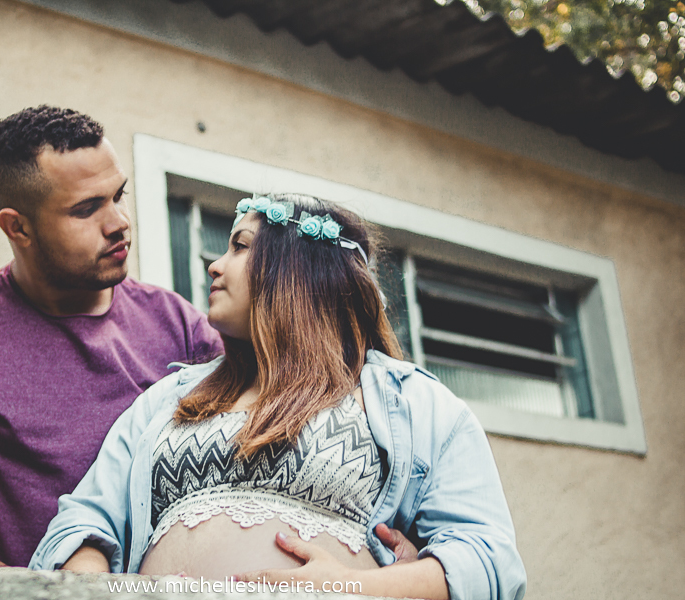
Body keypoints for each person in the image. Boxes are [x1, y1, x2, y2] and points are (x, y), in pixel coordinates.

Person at [29, 194, 527, 600]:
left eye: (240, 246)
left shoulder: (415, 403)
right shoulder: (168, 400)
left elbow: (489, 561)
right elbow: (84, 518)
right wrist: (95, 587)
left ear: (298, 269)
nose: (214, 266)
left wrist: (358, 586)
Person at [0, 106, 223, 567]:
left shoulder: (181, 327)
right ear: (17, 227)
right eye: (86, 209)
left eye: (118, 196)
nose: (119, 223)